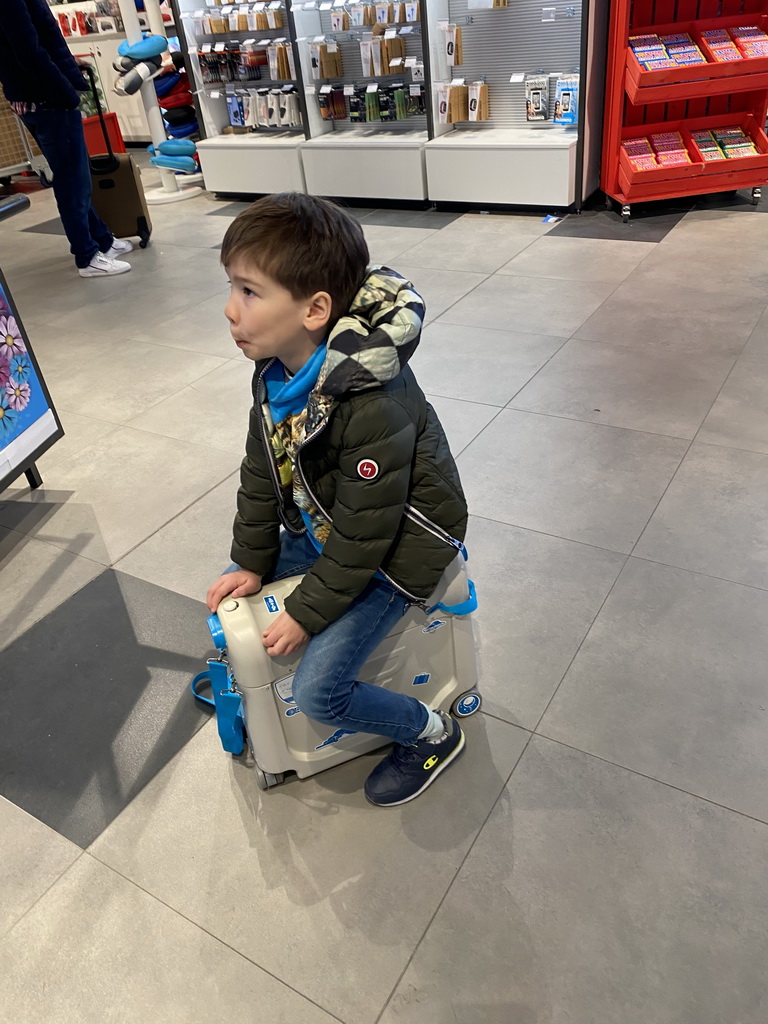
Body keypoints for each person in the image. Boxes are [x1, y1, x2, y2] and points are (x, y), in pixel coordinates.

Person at [206, 193, 469, 807]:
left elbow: (365, 535)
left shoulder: (369, 398)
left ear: (315, 309)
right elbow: (260, 468)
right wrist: (251, 558)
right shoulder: (276, 371)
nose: (230, 310)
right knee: (240, 602)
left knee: (321, 689)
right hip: (329, 522)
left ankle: (431, 733)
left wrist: (308, 612)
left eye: (249, 292)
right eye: (232, 288)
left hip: (396, 546)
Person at [0, 0, 133, 278]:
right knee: (72, 180)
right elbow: (27, 48)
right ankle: (87, 256)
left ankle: (101, 241)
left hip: (36, 95)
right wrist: (64, 91)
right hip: (46, 97)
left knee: (75, 172)